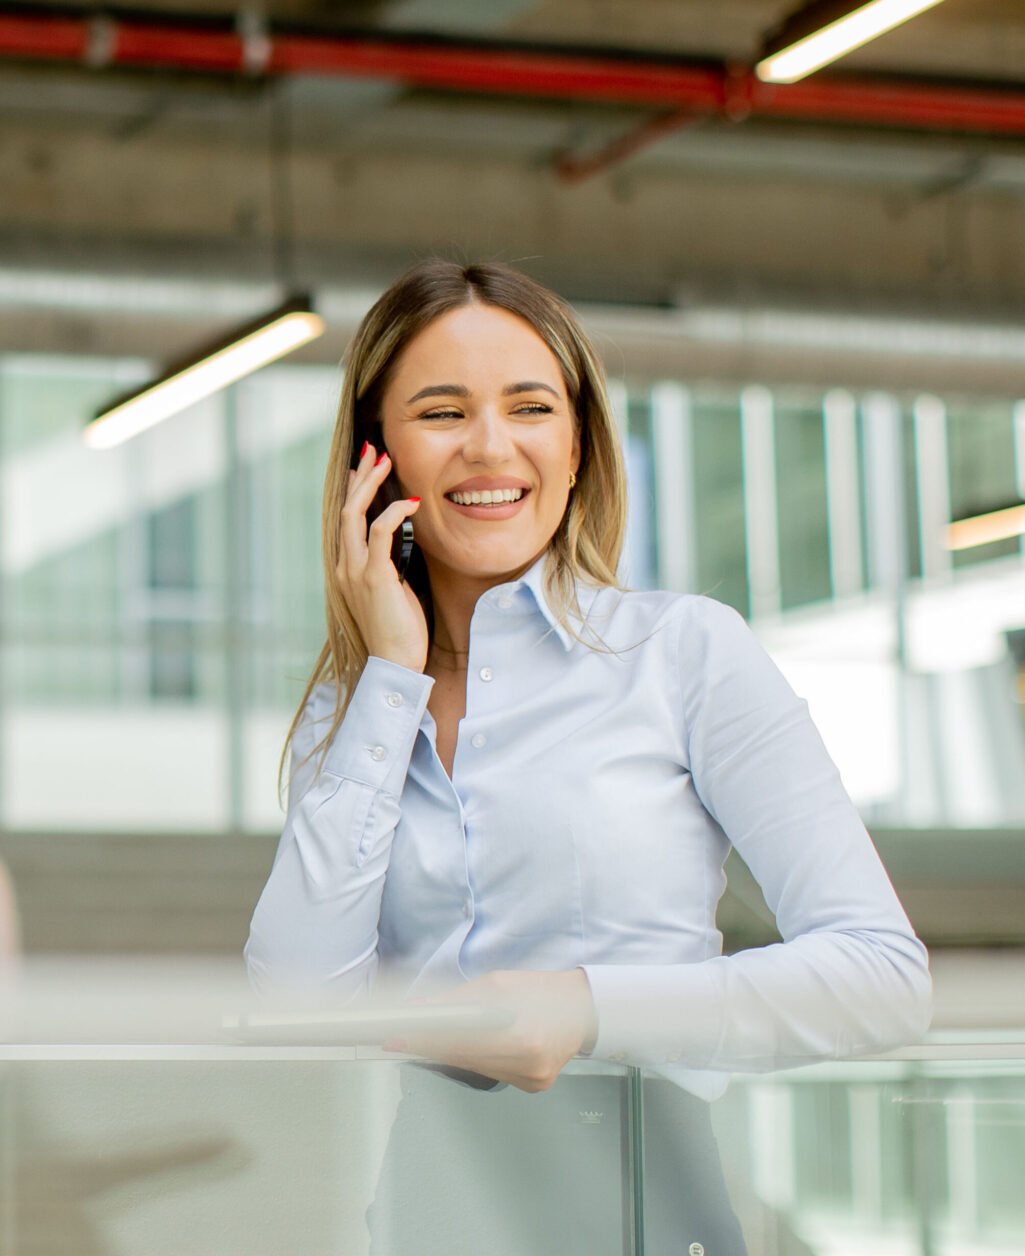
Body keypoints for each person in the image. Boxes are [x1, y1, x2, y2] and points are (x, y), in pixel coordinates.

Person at [245, 259, 931, 1253]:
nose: (489, 447)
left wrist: (590, 1005)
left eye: (529, 406)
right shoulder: (350, 710)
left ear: (575, 445)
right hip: (430, 1204)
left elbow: (882, 977)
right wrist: (389, 674)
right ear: (375, 455)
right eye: (441, 412)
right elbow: (292, 1002)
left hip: (644, 1193)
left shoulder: (684, 653)